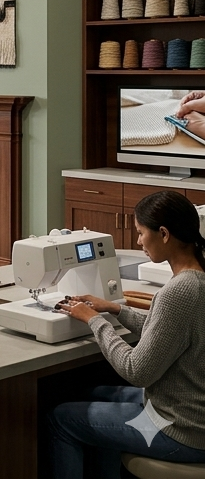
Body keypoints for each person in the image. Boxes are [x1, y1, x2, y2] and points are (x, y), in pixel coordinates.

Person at [51, 191, 205, 478]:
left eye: (140, 233)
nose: (138, 242)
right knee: (92, 393)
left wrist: (96, 321)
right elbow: (170, 328)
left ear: (163, 234)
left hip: (180, 432)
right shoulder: (198, 277)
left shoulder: (179, 291)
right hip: (193, 416)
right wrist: (115, 310)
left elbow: (137, 371)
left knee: (63, 418)